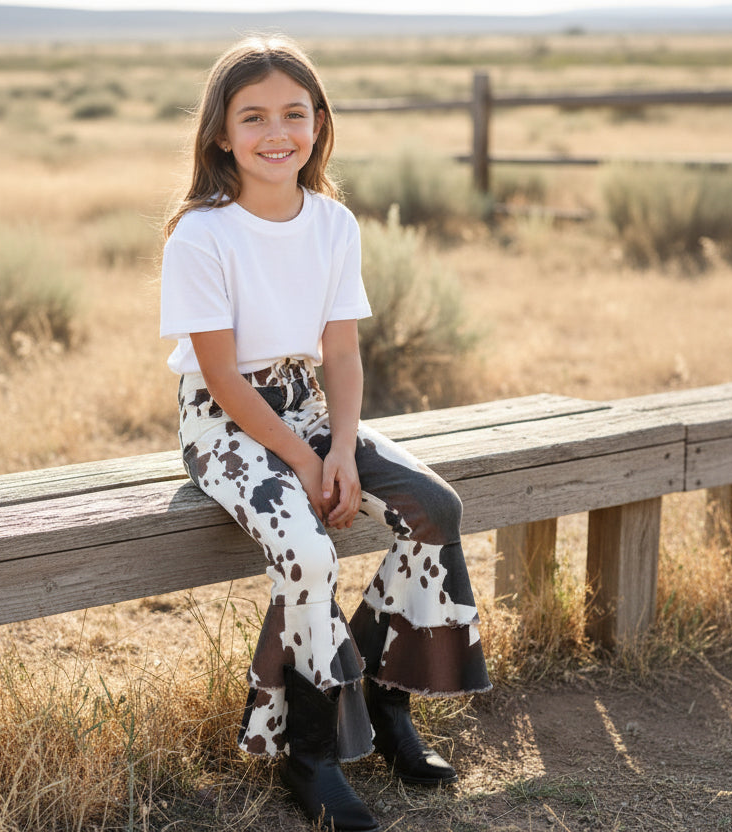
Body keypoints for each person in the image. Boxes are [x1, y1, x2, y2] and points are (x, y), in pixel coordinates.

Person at [159, 35, 491, 832]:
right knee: (306, 552)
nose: (276, 132)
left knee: (433, 509)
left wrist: (339, 450)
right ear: (220, 133)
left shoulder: (333, 222)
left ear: (318, 124)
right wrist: (306, 464)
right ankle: (306, 755)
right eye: (253, 117)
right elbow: (227, 380)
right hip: (225, 422)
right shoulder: (200, 234)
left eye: (293, 114)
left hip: (312, 406)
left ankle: (385, 700)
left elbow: (340, 351)